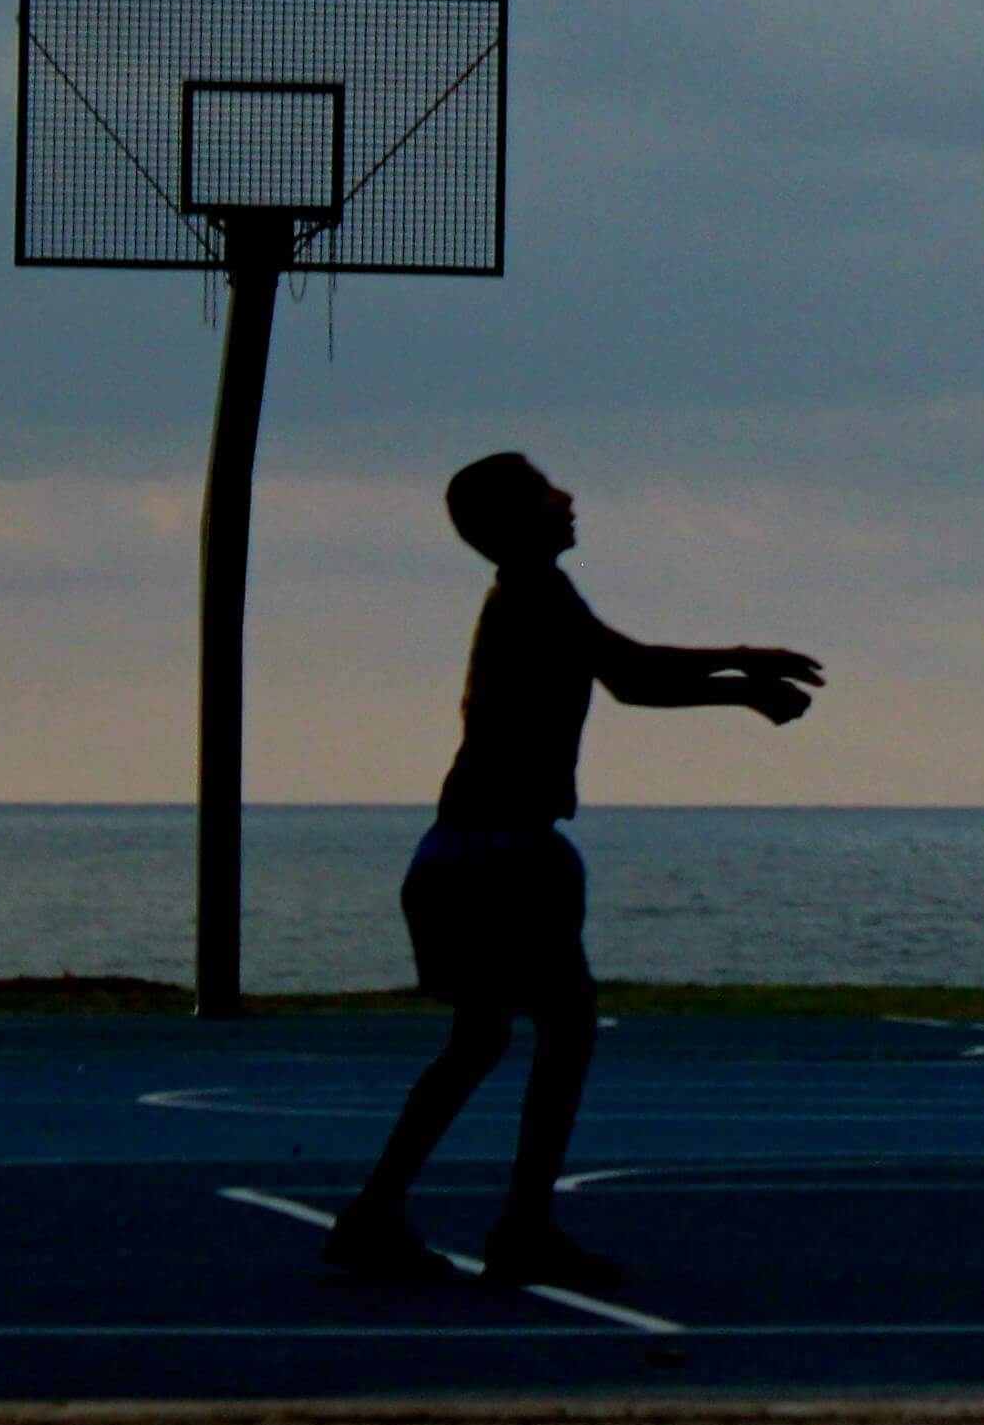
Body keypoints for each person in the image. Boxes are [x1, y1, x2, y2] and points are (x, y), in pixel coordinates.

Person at [320, 451, 822, 1286]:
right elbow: (629, 672)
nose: (568, 496)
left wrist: (738, 680)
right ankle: (518, 1229)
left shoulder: (528, 596)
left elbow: (623, 676)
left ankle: (377, 1214)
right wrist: (740, 673)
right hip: (506, 857)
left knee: (479, 1041)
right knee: (564, 1031)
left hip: (457, 854)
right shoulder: (532, 595)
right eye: (546, 489)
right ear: (515, 520)